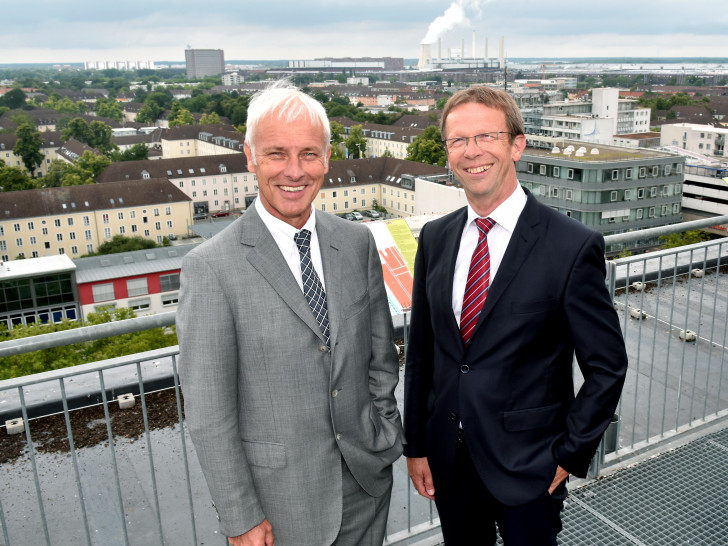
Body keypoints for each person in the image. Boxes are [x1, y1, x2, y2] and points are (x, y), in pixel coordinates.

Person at [177, 81, 403, 546]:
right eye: (277, 153)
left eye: (308, 154)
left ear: (327, 156)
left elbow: (380, 356)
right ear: (250, 157)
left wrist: (384, 435)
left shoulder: (356, 243)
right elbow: (208, 412)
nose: (295, 172)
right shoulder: (211, 268)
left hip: (366, 486)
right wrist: (240, 517)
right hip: (279, 509)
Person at [403, 86, 628, 545]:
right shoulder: (436, 237)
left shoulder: (570, 246)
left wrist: (570, 452)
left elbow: (607, 367)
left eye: (486, 135)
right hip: (450, 460)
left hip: (530, 464)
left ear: (517, 144)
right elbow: (424, 351)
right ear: (447, 153)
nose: (472, 152)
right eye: (458, 141)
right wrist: (417, 446)